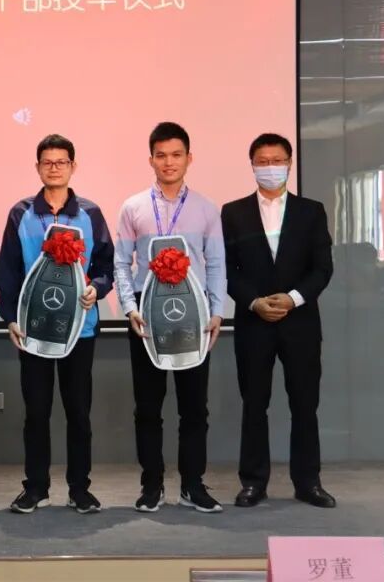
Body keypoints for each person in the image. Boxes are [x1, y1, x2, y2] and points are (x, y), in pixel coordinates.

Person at [0, 134, 115, 514]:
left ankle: (80, 489)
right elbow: (8, 270)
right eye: (47, 162)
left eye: (61, 162)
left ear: (72, 166)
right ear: (37, 168)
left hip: (80, 328)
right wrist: (10, 318)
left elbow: (106, 266)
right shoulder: (20, 213)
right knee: (36, 412)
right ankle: (36, 488)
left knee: (78, 412)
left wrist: (97, 288)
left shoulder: (90, 213)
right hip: (33, 329)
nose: (54, 168)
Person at [114, 122, 225, 514]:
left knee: (194, 407)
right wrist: (129, 307)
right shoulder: (133, 207)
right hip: (146, 315)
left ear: (189, 158)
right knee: (148, 407)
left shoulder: (207, 209)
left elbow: (216, 264)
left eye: (176, 154)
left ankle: (193, 485)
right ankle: (152, 485)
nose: (169, 162)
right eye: (161, 155)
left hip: (193, 315)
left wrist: (217, 311)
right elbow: (121, 263)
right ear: (151, 160)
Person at [221, 133, 335, 509]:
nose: (270, 167)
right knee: (254, 403)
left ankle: (308, 482)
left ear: (289, 163)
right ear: (252, 165)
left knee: (305, 404)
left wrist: (293, 298)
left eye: (277, 160)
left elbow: (322, 268)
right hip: (253, 322)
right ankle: (253, 482)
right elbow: (227, 269)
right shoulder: (233, 212)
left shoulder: (311, 211)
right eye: (262, 161)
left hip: (300, 322)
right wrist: (254, 302)